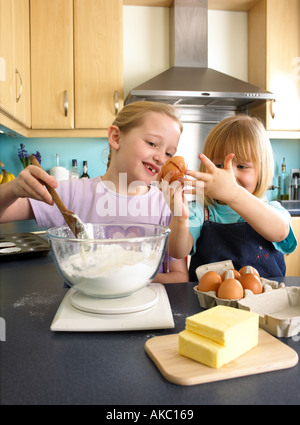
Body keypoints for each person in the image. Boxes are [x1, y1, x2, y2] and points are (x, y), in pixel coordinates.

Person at [0, 101, 189, 283]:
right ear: (116, 137)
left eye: (169, 154)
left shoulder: (166, 204)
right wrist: (13, 188)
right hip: (83, 308)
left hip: (148, 309)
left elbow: (180, 276)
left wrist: (127, 276)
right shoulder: (72, 194)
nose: (161, 158)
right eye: (152, 143)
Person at [162, 114, 297, 280]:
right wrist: (180, 218)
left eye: (242, 166)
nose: (229, 175)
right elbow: (177, 251)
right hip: (209, 304)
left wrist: (233, 193)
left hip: (265, 303)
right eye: (219, 166)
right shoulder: (201, 211)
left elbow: (280, 232)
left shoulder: (271, 210)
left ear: (261, 172)